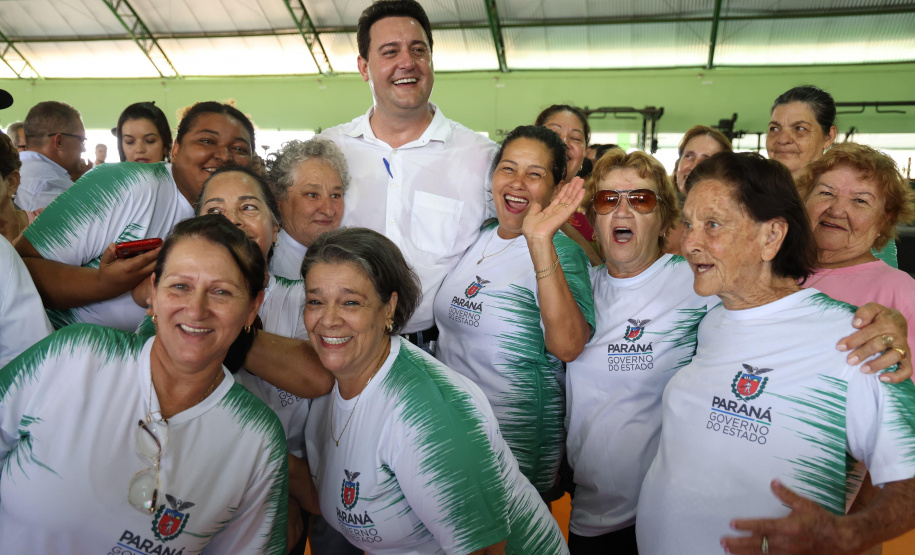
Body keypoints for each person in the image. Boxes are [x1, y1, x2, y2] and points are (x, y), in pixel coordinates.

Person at [636, 152, 915, 555]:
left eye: (712, 224)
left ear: (771, 236)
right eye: (689, 224)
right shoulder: (714, 316)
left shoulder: (855, 340)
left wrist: (855, 533)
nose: (690, 242)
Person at [0, 215, 289, 553]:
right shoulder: (77, 356)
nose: (196, 310)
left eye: (221, 292)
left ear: (253, 308)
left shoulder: (257, 441)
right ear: (154, 293)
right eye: (180, 286)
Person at [300, 227, 569, 554]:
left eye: (350, 302)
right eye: (316, 300)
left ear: (388, 308)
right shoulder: (332, 385)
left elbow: (485, 550)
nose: (328, 319)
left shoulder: (429, 415)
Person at [321, 0, 498, 345]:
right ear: (364, 67)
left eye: (418, 50)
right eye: (390, 51)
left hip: (439, 348)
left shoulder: (481, 157)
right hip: (339, 344)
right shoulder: (329, 150)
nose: (407, 63)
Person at [434, 125, 594, 497]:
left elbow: (569, 347)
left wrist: (539, 242)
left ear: (556, 188)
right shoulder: (479, 235)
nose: (518, 182)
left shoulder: (563, 253)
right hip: (458, 431)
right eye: (508, 168)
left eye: (535, 174)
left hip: (517, 442)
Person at [565, 148, 706, 553]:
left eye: (641, 199)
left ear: (664, 218)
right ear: (593, 218)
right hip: (588, 508)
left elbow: (772, 304)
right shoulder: (580, 287)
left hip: (664, 515)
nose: (622, 211)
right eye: (608, 200)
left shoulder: (694, 282)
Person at [16, 100, 255, 331]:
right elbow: (20, 267)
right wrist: (102, 284)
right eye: (206, 140)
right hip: (49, 354)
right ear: (176, 149)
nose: (224, 155)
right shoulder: (128, 184)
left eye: (239, 148)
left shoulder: (244, 223)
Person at [798, 143, 915, 350]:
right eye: (826, 193)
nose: (837, 210)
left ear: (884, 220)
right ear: (805, 199)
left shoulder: (901, 291)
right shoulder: (772, 270)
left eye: (860, 200)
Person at [266, 137, 349, 280]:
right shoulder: (266, 270)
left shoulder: (349, 262)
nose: (329, 210)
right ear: (278, 199)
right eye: (312, 195)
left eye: (335, 195)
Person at [535, 104, 602, 265]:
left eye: (576, 138)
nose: (564, 142)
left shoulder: (599, 206)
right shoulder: (515, 194)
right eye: (554, 133)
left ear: (585, 153)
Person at [666, 125, 733, 256]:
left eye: (706, 159)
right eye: (689, 156)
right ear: (677, 166)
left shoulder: (731, 222)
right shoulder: (655, 213)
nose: (694, 166)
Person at [15, 100, 87, 210]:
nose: (83, 149)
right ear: (59, 141)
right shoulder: (50, 183)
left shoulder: (20, 167)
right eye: (81, 140)